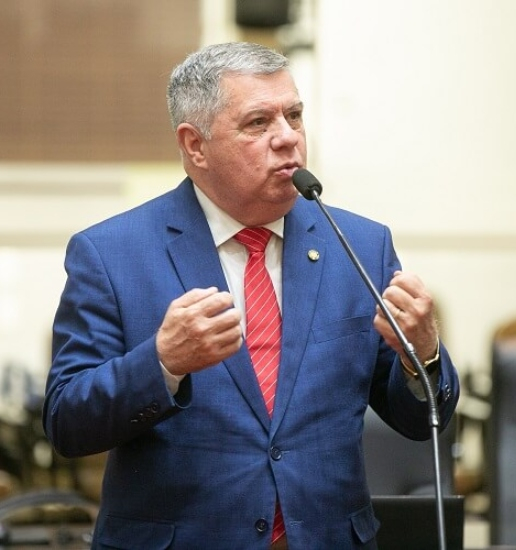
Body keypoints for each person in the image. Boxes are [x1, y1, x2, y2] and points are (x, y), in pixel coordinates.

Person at [43, 42, 460, 550]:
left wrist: (423, 356)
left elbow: (419, 421)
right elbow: (67, 424)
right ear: (195, 145)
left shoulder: (360, 246)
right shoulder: (112, 254)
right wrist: (162, 363)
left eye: (294, 116)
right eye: (258, 123)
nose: (288, 138)